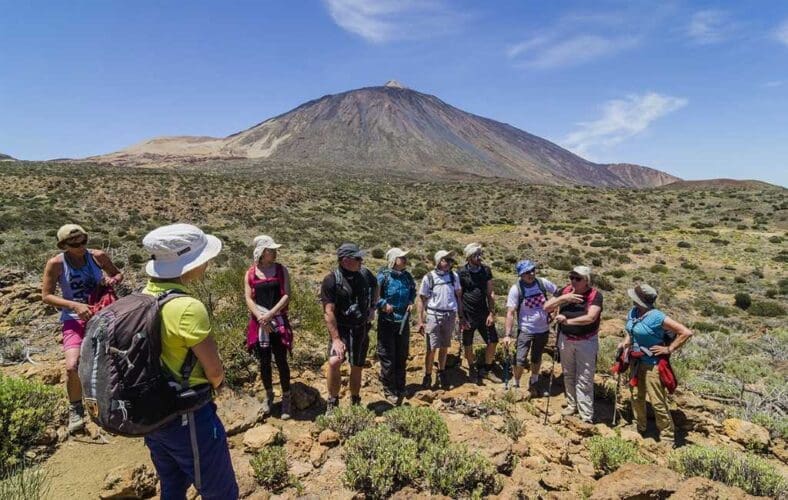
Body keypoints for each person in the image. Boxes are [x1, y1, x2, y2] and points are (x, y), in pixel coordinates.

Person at [140, 223, 238, 500]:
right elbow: (215, 371)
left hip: (152, 413)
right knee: (221, 491)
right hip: (187, 414)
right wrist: (218, 385)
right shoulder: (187, 307)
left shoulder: (143, 298)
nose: (207, 263)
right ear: (188, 264)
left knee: (172, 484)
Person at [42, 224, 123, 433]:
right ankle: (76, 408)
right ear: (63, 245)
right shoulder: (56, 263)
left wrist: (111, 280)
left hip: (102, 314)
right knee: (72, 366)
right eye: (73, 243)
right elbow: (46, 296)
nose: (80, 246)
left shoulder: (98, 256)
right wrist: (74, 305)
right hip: (74, 319)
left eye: (83, 241)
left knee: (112, 358)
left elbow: (117, 274)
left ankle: (114, 401)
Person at [620, 284, 693, 446]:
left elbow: (686, 332)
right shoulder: (633, 312)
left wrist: (669, 349)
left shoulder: (657, 317)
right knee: (636, 396)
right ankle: (639, 425)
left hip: (652, 364)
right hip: (636, 361)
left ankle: (667, 435)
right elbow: (630, 331)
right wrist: (626, 342)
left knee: (657, 401)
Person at [321, 243, 379, 413]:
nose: (361, 261)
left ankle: (355, 400)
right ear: (345, 260)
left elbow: (375, 286)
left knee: (357, 365)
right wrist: (336, 339)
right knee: (334, 362)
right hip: (341, 329)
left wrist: (373, 307)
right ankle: (333, 401)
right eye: (358, 258)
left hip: (360, 328)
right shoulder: (332, 280)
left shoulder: (364, 274)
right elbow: (328, 312)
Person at [544, 265, 602, 424]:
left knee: (584, 377)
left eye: (578, 278)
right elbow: (546, 307)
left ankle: (586, 414)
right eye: (572, 277)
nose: (573, 281)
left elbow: (591, 317)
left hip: (586, 341)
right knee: (568, 373)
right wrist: (564, 299)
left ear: (587, 281)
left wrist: (567, 321)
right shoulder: (564, 291)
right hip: (565, 338)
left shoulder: (595, 295)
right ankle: (572, 404)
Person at [244, 235, 293, 419]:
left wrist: (270, 314)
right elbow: (249, 298)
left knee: (281, 360)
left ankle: (286, 397)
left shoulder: (281, 270)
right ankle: (269, 395)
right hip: (260, 325)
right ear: (262, 252)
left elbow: (286, 295)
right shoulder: (250, 273)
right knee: (264, 361)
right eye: (271, 250)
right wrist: (260, 317)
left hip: (277, 321)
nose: (275, 252)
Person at [503, 260, 558, 395]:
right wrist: (507, 335)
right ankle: (516, 383)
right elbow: (510, 313)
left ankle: (534, 381)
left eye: (533, 270)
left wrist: (554, 311)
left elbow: (558, 292)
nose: (531, 274)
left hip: (543, 329)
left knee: (536, 357)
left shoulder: (542, 283)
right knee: (520, 358)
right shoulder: (516, 289)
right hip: (526, 330)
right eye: (527, 272)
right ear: (521, 274)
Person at [416, 250, 465, 390]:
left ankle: (442, 372)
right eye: (446, 260)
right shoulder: (429, 277)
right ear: (438, 261)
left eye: (450, 260)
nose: (449, 262)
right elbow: (421, 299)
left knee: (444, 346)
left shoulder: (454, 276)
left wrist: (461, 316)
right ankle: (427, 375)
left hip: (449, 315)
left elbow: (458, 297)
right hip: (433, 315)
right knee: (431, 348)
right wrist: (420, 320)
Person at [375, 248, 416, 404]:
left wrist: (411, 301)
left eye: (405, 258)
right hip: (387, 321)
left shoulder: (407, 276)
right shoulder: (383, 276)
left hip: (403, 321)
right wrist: (383, 304)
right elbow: (374, 295)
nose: (405, 260)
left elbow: (412, 291)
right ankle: (389, 389)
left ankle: (400, 386)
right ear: (393, 260)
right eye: (401, 257)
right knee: (388, 356)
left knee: (401, 355)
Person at [457, 243, 499, 383]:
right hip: (468, 314)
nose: (479, 257)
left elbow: (490, 293)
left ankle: (486, 369)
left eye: (480, 254)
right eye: (476, 255)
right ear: (469, 257)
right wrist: (461, 316)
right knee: (468, 342)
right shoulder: (461, 272)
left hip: (484, 313)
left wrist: (491, 313)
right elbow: (458, 296)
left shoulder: (486, 270)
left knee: (493, 340)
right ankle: (471, 368)